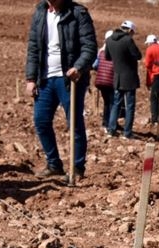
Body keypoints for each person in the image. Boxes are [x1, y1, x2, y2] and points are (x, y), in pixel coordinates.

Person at [24, 0, 97, 179]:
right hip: (45, 78)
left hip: (70, 79)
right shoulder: (40, 13)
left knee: (74, 123)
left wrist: (78, 67)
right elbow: (33, 48)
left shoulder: (78, 13)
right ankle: (54, 163)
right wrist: (31, 78)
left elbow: (90, 46)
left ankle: (77, 168)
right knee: (41, 121)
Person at [105, 20, 142, 139]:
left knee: (116, 104)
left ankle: (111, 129)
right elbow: (137, 55)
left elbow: (107, 56)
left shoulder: (109, 40)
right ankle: (127, 132)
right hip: (129, 77)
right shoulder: (128, 40)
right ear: (130, 31)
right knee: (130, 105)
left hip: (117, 77)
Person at [92, 30, 115, 130]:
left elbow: (95, 65)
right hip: (111, 80)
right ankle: (110, 124)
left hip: (100, 81)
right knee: (112, 103)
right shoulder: (115, 52)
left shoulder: (100, 51)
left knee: (106, 102)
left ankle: (105, 122)